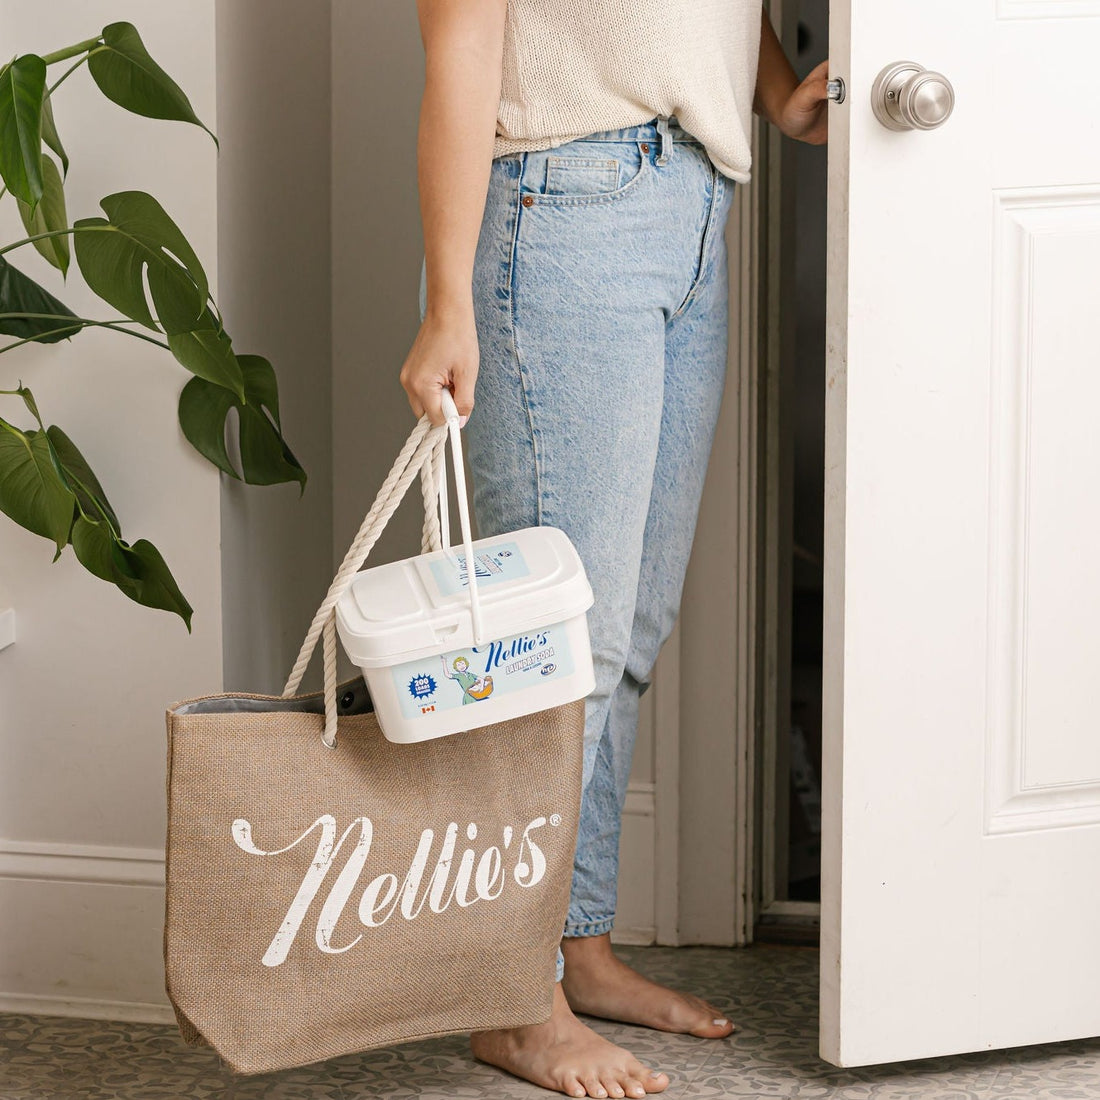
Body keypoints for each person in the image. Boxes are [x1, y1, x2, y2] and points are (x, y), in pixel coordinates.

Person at [400, 3, 828, 1096]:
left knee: (626, 628)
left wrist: (773, 89)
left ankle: (574, 949)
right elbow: (459, 44)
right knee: (553, 651)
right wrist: (449, 300)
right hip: (562, 209)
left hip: (692, 204)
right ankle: (511, 996)